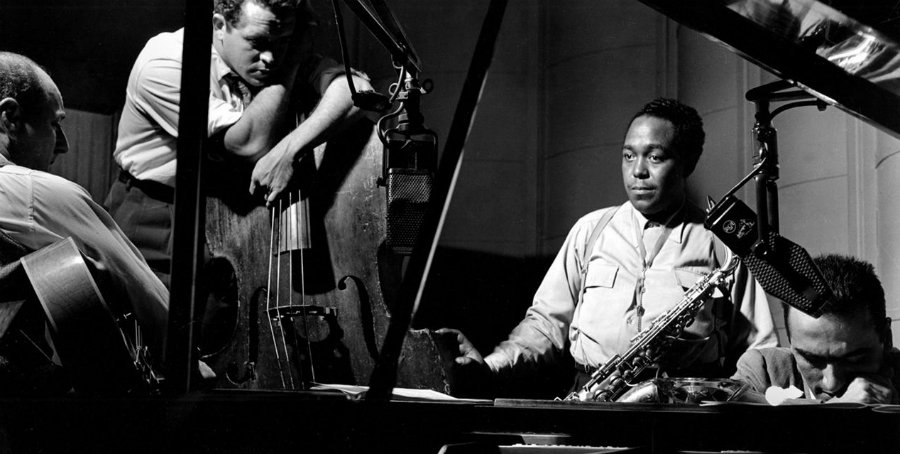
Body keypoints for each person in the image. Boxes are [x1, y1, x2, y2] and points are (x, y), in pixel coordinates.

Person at [440, 98, 777, 398]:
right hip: (594, 400)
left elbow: (759, 349)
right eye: (628, 156)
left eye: (655, 157)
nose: (637, 171)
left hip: (684, 410)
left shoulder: (721, 243)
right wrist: (490, 366)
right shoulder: (590, 230)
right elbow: (544, 326)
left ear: (688, 163)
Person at [105, 0, 373, 283]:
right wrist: (290, 65)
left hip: (235, 211)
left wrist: (290, 150)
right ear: (219, 25)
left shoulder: (273, 53)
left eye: (283, 41)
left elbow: (358, 92)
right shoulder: (166, 62)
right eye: (257, 42)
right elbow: (248, 145)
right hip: (160, 212)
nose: (270, 57)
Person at [0, 52, 169, 391]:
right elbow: (143, 290)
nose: (63, 145)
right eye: (54, 124)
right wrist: (185, 360)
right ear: (10, 118)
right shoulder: (32, 191)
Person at [733, 254, 899, 404]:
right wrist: (835, 412)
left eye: (853, 360)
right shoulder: (763, 370)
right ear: (790, 340)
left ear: (886, 338)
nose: (831, 384)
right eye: (812, 359)